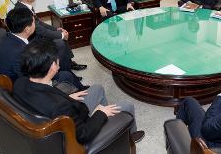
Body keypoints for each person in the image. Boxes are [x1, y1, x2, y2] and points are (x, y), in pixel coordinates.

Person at [13, 39, 145, 144]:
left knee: (97, 88)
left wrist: (67, 97)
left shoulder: (20, 83)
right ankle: (128, 138)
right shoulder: (60, 107)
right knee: (127, 106)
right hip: (82, 134)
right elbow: (83, 135)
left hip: (69, 114)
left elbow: (46, 97)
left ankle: (111, 125)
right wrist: (100, 114)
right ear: (53, 66)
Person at [0, 8, 85, 91]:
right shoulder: (21, 53)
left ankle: (80, 88)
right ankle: (81, 93)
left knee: (62, 71)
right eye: (33, 22)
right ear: (27, 29)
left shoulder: (8, 37)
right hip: (23, 90)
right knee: (65, 75)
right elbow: (31, 82)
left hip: (19, 78)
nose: (35, 24)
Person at [14, 0, 87, 72]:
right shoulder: (22, 10)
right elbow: (39, 30)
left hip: (37, 34)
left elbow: (39, 23)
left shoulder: (25, 6)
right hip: (32, 41)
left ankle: (67, 63)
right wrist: (60, 35)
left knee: (61, 34)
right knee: (60, 42)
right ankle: (65, 72)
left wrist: (56, 29)